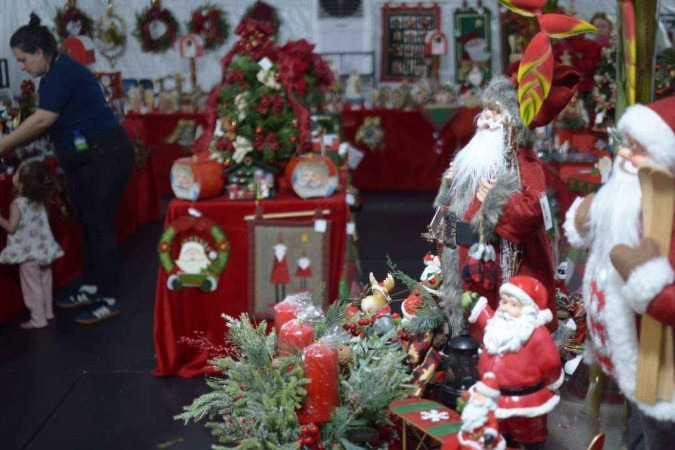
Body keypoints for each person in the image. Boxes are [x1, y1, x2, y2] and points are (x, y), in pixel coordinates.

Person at [0, 14, 134, 325]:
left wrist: (4, 143)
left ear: (39, 53)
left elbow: (43, 119)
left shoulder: (62, 73)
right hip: (84, 159)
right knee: (86, 223)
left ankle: (109, 297)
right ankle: (91, 286)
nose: (22, 66)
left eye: (23, 60)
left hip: (104, 156)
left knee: (98, 225)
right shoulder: (53, 75)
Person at [563, 96, 675, 449]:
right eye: (626, 143)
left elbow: (667, 302)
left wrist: (642, 276)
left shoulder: (666, 211)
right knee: (641, 429)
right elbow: (593, 228)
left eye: (638, 149)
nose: (625, 155)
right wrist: (585, 218)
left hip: (662, 371)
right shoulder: (628, 195)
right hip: (631, 361)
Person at [433, 76, 557, 336]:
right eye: (487, 109)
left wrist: (498, 199)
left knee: (500, 326)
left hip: (503, 267)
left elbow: (532, 212)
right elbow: (451, 210)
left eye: (497, 111)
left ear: (514, 120)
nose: (487, 117)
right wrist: (449, 186)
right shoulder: (477, 156)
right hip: (468, 261)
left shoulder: (524, 162)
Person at [462, 276, 563, 450]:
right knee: (497, 432)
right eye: (504, 302)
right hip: (492, 397)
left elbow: (551, 363)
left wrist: (552, 383)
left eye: (513, 304)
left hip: (524, 401)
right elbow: (488, 320)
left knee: (529, 434)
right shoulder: (499, 325)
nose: (505, 309)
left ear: (529, 311)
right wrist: (477, 305)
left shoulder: (536, 334)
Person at [0, 160, 64, 329]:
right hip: (44, 249)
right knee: (45, 281)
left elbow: (11, 228)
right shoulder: (40, 199)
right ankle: (48, 312)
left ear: (20, 183)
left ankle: (38, 319)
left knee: (32, 286)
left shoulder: (18, 203)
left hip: (28, 254)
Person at [451, 373, 506, 450]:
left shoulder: (488, 412)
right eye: (478, 393)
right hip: (466, 434)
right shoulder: (474, 404)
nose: (477, 396)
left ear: (489, 400)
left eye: (482, 395)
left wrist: (490, 434)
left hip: (480, 439)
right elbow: (469, 398)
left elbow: (493, 424)